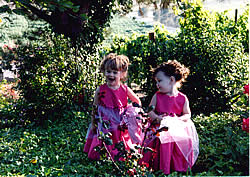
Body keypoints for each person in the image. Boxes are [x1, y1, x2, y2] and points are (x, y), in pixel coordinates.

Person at [141, 60, 199, 174]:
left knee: (178, 145)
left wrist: (178, 120)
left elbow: (187, 114)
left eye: (159, 81)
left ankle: (177, 168)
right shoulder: (157, 96)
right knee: (161, 143)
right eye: (156, 81)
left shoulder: (182, 98)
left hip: (176, 126)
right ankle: (161, 168)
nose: (157, 84)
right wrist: (157, 118)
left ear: (171, 80)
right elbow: (150, 111)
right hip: (161, 125)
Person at [84, 53, 143, 160]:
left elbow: (137, 101)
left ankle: (119, 154)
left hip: (120, 117)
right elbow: (95, 106)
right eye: (108, 72)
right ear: (104, 71)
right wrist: (93, 122)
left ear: (122, 74)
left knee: (118, 133)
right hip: (105, 118)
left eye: (115, 72)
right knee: (106, 134)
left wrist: (131, 112)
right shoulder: (101, 89)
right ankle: (104, 155)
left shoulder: (125, 89)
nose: (111, 75)